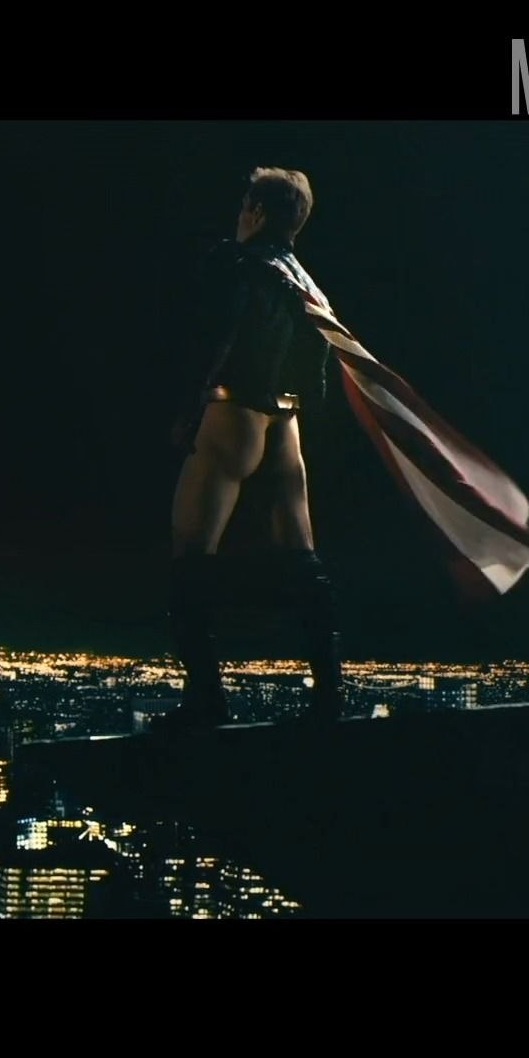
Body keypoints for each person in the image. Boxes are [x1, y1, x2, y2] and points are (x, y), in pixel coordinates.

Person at [164, 167, 344, 729]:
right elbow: (316, 366)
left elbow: (211, 338)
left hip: (231, 414)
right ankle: (329, 694)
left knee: (190, 556)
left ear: (258, 212)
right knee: (301, 557)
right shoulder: (306, 283)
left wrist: (188, 410)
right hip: (285, 423)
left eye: (246, 205)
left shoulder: (236, 265)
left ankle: (206, 700)